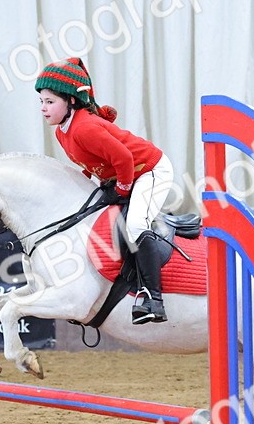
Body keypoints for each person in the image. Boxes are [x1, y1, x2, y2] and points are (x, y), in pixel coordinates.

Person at [35, 57, 175, 324]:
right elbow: (90, 162)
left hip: (150, 171)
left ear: (71, 102)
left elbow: (124, 159)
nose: (43, 108)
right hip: (124, 173)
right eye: (41, 101)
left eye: (50, 102)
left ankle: (153, 299)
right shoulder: (62, 131)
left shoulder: (85, 128)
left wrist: (122, 189)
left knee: (135, 225)